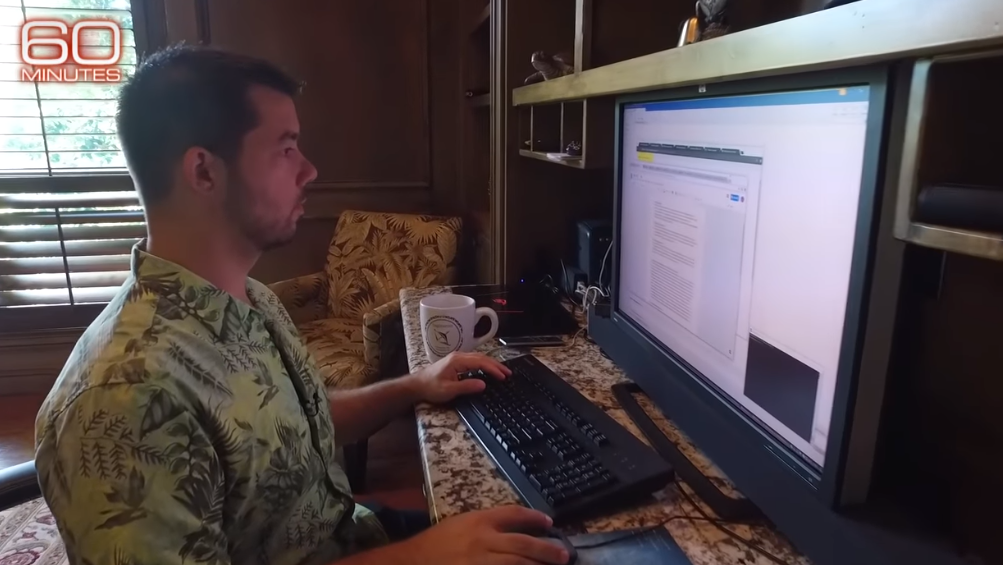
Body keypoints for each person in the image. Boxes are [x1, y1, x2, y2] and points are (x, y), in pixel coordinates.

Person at [33, 44, 570, 565]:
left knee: (564, 535)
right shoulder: (123, 399)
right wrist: (420, 558)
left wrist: (416, 384)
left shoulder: (249, 297)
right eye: (286, 148)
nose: (309, 170)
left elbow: (295, 425)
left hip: (350, 534)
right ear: (204, 172)